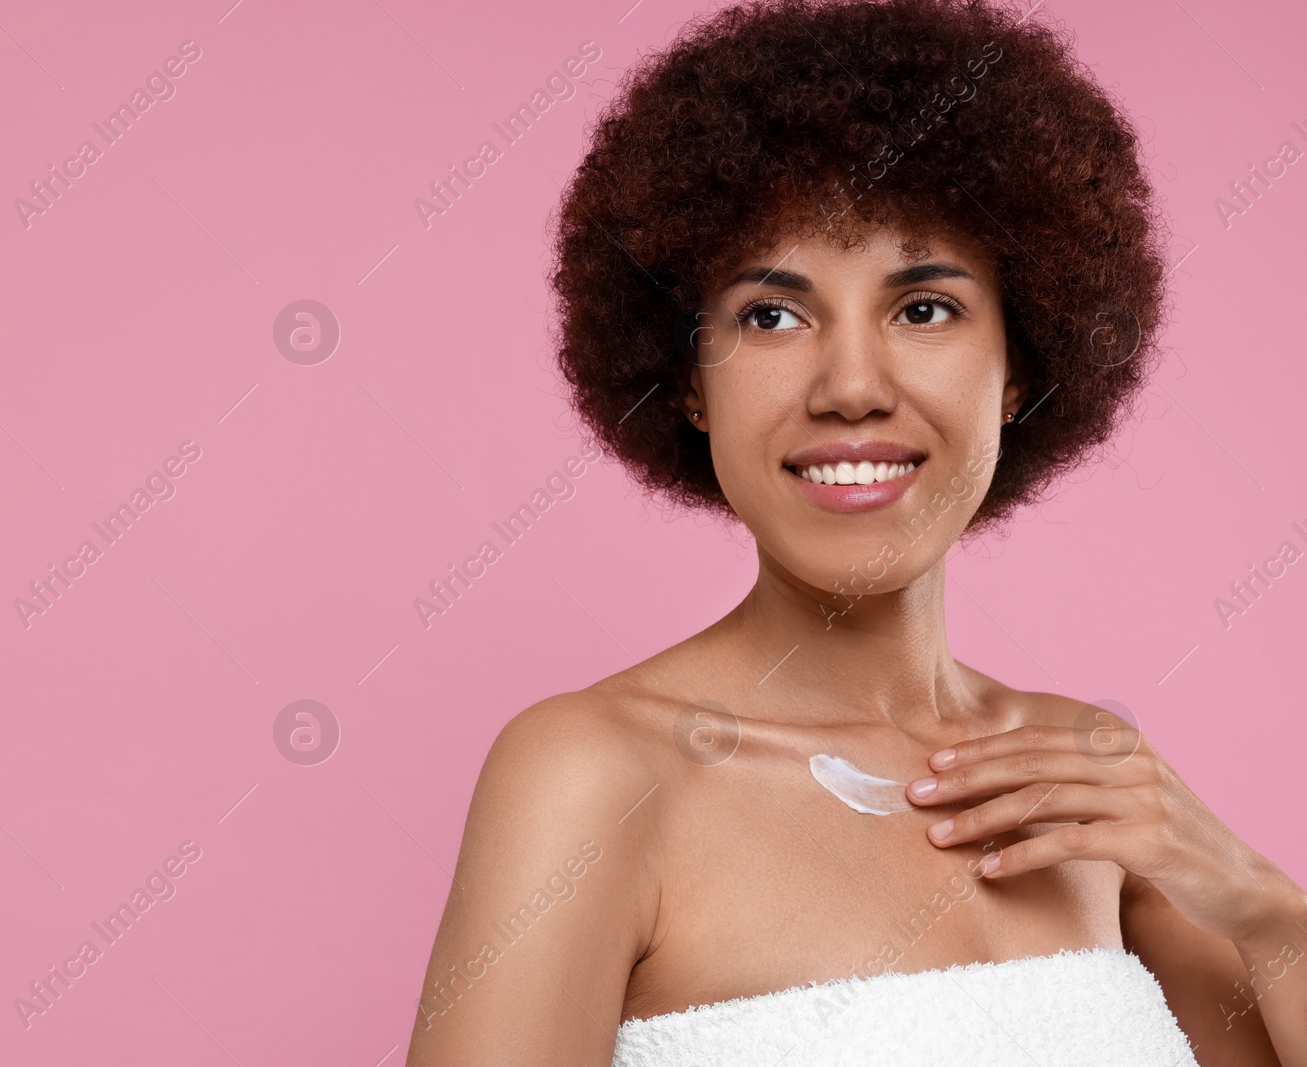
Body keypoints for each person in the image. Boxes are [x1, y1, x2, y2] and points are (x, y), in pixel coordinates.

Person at [407, 0, 1307, 1063]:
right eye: (771, 315)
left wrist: (1263, 907)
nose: (847, 386)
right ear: (689, 384)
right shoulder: (595, 774)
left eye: (922, 307)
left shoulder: (1079, 786)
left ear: (1017, 364)